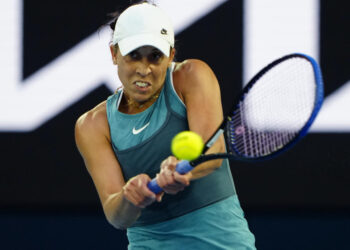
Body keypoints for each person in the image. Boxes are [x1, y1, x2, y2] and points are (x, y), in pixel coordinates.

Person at [75, 2, 256, 249]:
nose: (144, 69)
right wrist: (130, 198)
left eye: (155, 56)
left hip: (222, 242)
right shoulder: (92, 126)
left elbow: (212, 152)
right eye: (134, 55)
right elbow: (116, 215)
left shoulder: (191, 76)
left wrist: (185, 170)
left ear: (171, 55)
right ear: (114, 54)